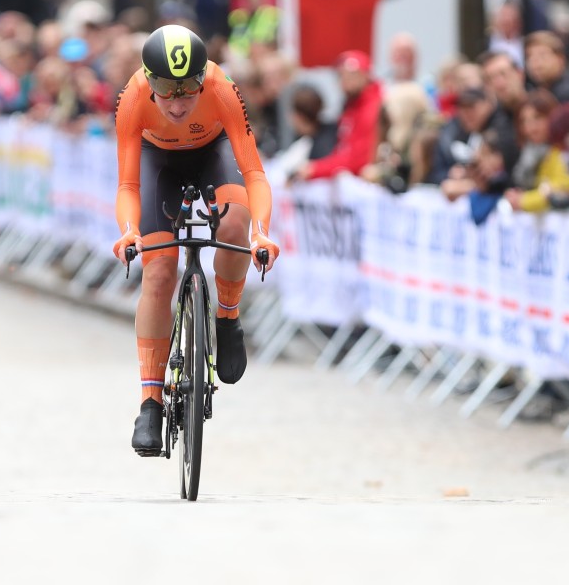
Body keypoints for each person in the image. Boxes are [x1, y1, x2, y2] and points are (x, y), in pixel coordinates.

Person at [112, 25, 280, 455]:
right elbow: (128, 185)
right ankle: (150, 402)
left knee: (233, 226)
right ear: (149, 82)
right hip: (158, 162)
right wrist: (129, 231)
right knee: (159, 271)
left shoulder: (222, 88)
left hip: (214, 153)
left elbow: (255, 173)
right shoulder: (132, 99)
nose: (178, 103)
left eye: (188, 90)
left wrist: (261, 232)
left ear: (203, 79)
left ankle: (227, 315)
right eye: (165, 91)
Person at [293, 50, 383, 180]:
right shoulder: (350, 105)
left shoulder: (373, 108)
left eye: (351, 75)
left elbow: (358, 159)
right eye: (341, 75)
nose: (344, 81)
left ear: (366, 75)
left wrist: (317, 169)